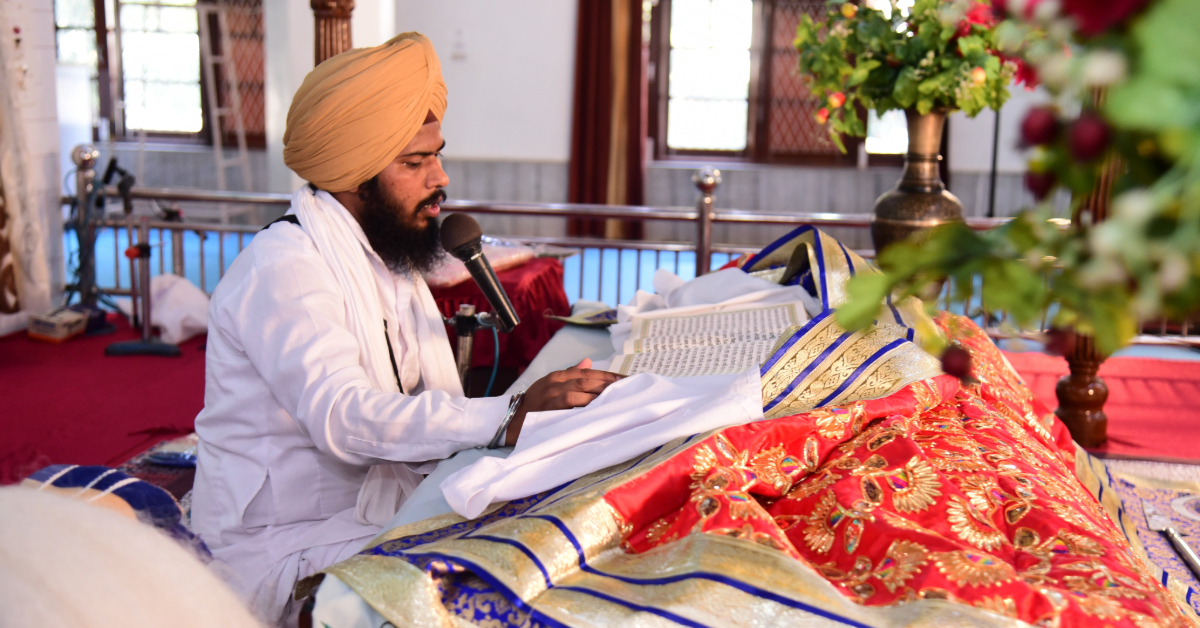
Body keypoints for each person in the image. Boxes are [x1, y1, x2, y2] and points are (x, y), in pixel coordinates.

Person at [190, 32, 620, 626]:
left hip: (367, 514)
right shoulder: (285, 270)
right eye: (414, 163)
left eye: (437, 155)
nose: (439, 178)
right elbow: (344, 415)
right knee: (489, 579)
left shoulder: (388, 257)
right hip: (283, 543)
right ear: (353, 176)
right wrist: (505, 414)